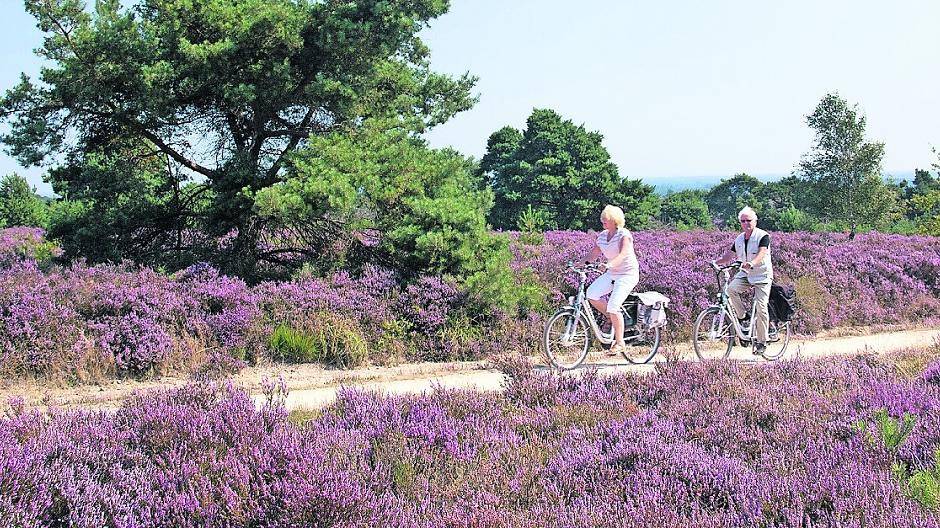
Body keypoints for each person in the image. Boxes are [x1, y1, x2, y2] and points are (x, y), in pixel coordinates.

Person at [714, 206, 773, 355]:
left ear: (755, 220)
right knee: (730, 290)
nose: (746, 223)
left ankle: (762, 341)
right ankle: (743, 317)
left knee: (761, 307)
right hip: (746, 273)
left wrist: (752, 262)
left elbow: (762, 253)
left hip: (762, 276)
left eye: (749, 220)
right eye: (743, 221)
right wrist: (716, 263)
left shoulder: (763, 236)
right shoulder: (739, 238)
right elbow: (729, 256)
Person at [586, 205, 640, 356]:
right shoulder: (603, 236)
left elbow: (623, 254)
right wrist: (579, 264)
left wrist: (609, 264)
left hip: (627, 274)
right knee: (591, 294)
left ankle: (620, 342)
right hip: (613, 273)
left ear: (615, 220)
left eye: (606, 218)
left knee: (614, 305)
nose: (603, 220)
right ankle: (610, 316)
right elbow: (594, 253)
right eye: (602, 217)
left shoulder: (624, 234)